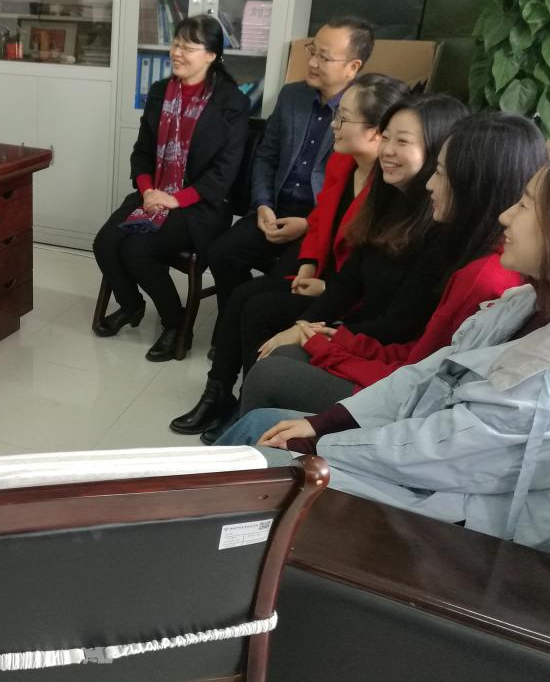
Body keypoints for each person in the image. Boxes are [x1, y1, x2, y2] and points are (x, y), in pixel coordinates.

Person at [217, 146, 550, 554]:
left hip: (452, 522)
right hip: (417, 460)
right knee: (260, 427)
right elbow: (430, 369)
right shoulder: (527, 302)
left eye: (525, 205)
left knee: (251, 467)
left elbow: (434, 454)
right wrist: (326, 421)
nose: (506, 215)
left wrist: (320, 441)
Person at [175, 92, 467, 442]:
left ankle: (246, 411)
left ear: (437, 151)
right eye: (386, 137)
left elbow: (398, 324)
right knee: (247, 295)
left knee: (264, 318)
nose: (387, 150)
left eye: (402, 142)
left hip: (380, 348)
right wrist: (305, 323)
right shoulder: (387, 196)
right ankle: (225, 398)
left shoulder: (437, 226)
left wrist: (316, 332)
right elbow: (349, 278)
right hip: (355, 318)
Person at [233, 113, 545, 422]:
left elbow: (417, 380)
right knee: (272, 336)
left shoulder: (480, 276)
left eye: (439, 172)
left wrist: (328, 346)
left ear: (474, 184)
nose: (430, 184)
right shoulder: (460, 245)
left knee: (269, 373)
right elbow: (419, 354)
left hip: (405, 404)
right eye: (386, 137)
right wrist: (334, 338)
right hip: (400, 375)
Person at [205, 15, 375, 346]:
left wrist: (308, 224)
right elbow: (266, 156)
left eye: (324, 57)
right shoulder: (292, 95)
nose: (311, 62)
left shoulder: (363, 114)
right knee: (221, 253)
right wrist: (263, 204)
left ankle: (256, 336)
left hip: (318, 223)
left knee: (277, 283)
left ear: (353, 67)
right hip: (276, 207)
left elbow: (350, 197)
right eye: (312, 51)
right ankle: (230, 330)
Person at [92, 15, 248, 361]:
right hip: (155, 193)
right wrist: (149, 192)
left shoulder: (231, 102)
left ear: (211, 55)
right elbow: (142, 152)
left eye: (188, 47)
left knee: (137, 250)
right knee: (106, 243)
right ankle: (131, 305)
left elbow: (224, 174)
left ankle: (176, 324)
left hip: (200, 205)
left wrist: (175, 200)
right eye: (175, 44)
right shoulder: (160, 91)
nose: (177, 52)